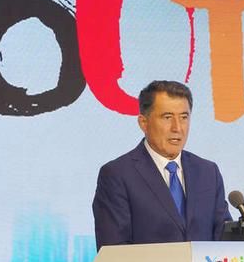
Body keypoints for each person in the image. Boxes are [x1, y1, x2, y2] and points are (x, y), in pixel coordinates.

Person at [92, 80, 232, 250]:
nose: (177, 128)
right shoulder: (118, 175)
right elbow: (113, 251)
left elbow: (225, 239)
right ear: (143, 123)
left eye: (184, 117)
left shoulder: (208, 172)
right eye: (167, 117)